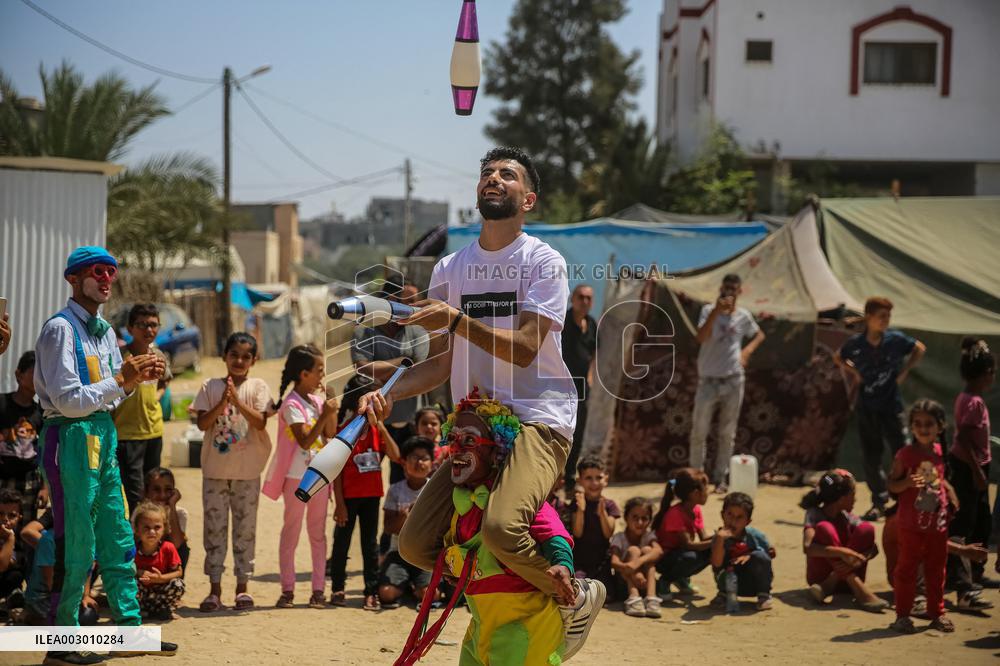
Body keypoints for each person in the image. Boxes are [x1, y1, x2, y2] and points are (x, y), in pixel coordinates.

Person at [359, 147, 603, 659]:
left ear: (527, 198)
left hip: (539, 420)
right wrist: (387, 392)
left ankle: (574, 594)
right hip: (475, 430)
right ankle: (503, 599)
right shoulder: (451, 267)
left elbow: (526, 348)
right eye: (487, 173)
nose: (493, 178)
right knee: (414, 544)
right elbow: (442, 364)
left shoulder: (544, 262)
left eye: (507, 174)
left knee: (498, 528)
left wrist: (454, 319)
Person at [34, 246, 175, 663]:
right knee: (76, 540)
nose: (107, 279)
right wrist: (120, 379)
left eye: (112, 271)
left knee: (116, 534)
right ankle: (63, 643)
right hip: (70, 435)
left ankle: (129, 631)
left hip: (101, 434)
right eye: (98, 271)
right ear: (73, 279)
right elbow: (68, 399)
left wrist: (134, 381)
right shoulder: (60, 329)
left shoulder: (105, 333)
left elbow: (113, 396)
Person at [395, 392, 577, 666]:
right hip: (482, 626)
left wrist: (563, 564)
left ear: (496, 451)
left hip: (524, 626)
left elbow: (553, 533)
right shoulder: (457, 504)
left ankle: (577, 597)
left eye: (469, 440)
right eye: (453, 440)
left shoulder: (511, 502)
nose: (456, 449)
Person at [193, 332, 272, 613]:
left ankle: (242, 589)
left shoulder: (258, 387)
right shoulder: (209, 386)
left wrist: (237, 402)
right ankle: (214, 590)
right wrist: (222, 402)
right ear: (224, 356)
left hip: (247, 473)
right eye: (234, 355)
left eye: (245, 356)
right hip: (215, 472)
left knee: (245, 532)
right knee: (214, 530)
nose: (239, 361)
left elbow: (261, 423)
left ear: (254, 359)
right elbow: (203, 424)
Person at [262, 344, 339, 610]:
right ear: (304, 374)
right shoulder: (291, 405)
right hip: (297, 478)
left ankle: (318, 590)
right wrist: (325, 414)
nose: (322, 376)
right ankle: (288, 589)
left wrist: (331, 410)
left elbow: (329, 433)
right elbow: (305, 441)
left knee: (317, 534)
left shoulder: (317, 402)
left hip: (318, 476)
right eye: (318, 371)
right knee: (291, 532)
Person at [835, 297, 926, 520]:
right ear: (869, 317)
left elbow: (919, 348)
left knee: (902, 452)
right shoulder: (856, 344)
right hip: (867, 406)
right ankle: (879, 501)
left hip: (891, 405)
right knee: (871, 456)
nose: (885, 321)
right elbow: (838, 357)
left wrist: (904, 372)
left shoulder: (895, 340)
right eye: (881, 316)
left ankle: (904, 501)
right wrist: (855, 372)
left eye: (888, 316)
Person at [888, 400, 960, 633]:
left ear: (940, 427)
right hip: (910, 525)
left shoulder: (940, 452)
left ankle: (936, 613)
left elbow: (939, 479)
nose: (923, 428)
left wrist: (950, 492)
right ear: (911, 427)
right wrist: (906, 483)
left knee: (937, 569)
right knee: (907, 569)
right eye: (917, 423)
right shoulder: (906, 455)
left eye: (929, 423)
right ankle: (902, 616)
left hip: (937, 526)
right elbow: (892, 484)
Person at [329, 374, 400, 611]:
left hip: (371, 495)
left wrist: (379, 426)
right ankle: (337, 587)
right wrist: (339, 503)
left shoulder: (376, 430)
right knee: (342, 543)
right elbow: (336, 472)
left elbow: (396, 455)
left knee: (370, 546)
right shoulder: (344, 431)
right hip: (348, 497)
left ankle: (371, 591)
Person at [690, 274, 765, 493]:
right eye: (726, 288)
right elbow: (700, 338)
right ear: (721, 289)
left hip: (733, 380)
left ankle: (720, 478)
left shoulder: (743, 316)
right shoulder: (707, 311)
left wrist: (747, 351)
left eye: (733, 289)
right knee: (699, 431)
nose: (729, 292)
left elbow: (759, 335)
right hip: (708, 380)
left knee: (727, 432)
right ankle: (696, 477)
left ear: (740, 291)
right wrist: (716, 311)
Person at [351, 281, 429, 485]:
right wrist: (405, 362)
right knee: (364, 478)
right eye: (408, 300)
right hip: (373, 419)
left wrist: (382, 368)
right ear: (389, 301)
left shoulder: (418, 331)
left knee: (405, 479)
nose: (414, 306)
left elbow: (421, 369)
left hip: (409, 419)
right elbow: (363, 369)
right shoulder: (364, 331)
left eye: (415, 301)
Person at [113, 303, 173, 514]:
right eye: (142, 325)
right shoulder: (120, 357)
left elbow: (166, 380)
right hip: (127, 435)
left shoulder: (159, 356)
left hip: (154, 432)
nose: (149, 330)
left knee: (154, 491)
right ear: (129, 329)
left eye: (153, 325)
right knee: (135, 494)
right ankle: (137, 543)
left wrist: (157, 396)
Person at [947, 338, 996, 592]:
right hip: (969, 468)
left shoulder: (968, 397)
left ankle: (976, 573)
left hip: (976, 466)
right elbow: (963, 438)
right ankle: (958, 577)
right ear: (986, 374)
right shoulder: (973, 402)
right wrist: (977, 471)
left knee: (981, 522)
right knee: (964, 522)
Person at [800, 470, 886, 612]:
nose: (855, 499)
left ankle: (831, 583)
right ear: (841, 498)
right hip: (820, 578)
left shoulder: (848, 517)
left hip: (832, 585)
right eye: (853, 495)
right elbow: (808, 547)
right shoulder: (814, 514)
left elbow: (874, 548)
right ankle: (860, 591)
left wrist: (859, 558)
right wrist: (842, 552)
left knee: (866, 529)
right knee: (825, 528)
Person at [378, 436, 435, 608]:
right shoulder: (396, 490)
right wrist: (404, 516)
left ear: (432, 463)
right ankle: (407, 584)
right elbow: (388, 527)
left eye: (424, 458)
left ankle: (414, 586)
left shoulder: (435, 489)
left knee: (430, 596)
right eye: (414, 458)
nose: (419, 462)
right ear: (404, 463)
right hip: (399, 552)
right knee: (386, 594)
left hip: (425, 553)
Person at [21, 510, 98, 627]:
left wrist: (85, 596)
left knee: (89, 615)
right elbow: (52, 584)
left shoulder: (85, 538)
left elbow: (87, 569)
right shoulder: (48, 540)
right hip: (44, 597)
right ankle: (30, 617)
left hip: (69, 593)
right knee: (69, 621)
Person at [710, 492, 775, 612]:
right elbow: (717, 564)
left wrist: (750, 555)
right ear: (722, 515)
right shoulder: (718, 537)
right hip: (729, 583)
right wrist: (719, 540)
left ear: (748, 521)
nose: (733, 520)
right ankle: (723, 595)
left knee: (759, 556)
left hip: (751, 584)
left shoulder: (754, 535)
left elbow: (770, 554)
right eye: (730, 514)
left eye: (740, 517)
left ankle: (763, 595)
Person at [0, 351, 46, 520]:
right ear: (18, 374)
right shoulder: (2, 404)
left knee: (24, 525)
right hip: (3, 478)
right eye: (34, 372)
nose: (38, 379)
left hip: (29, 482)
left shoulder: (41, 413)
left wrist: (44, 488)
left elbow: (45, 452)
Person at [653, 468, 712, 597]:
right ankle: (665, 580)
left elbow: (704, 538)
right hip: (665, 558)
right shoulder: (676, 514)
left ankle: (680, 578)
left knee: (714, 551)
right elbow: (688, 545)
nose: (708, 493)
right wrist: (714, 541)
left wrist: (720, 537)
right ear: (695, 493)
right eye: (706, 489)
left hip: (680, 554)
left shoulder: (695, 510)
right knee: (691, 557)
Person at [561, 284, 597, 492]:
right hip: (560, 388)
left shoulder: (591, 324)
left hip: (582, 389)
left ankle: (569, 476)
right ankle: (555, 477)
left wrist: (591, 376)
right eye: (580, 297)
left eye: (588, 298)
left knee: (578, 433)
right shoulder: (562, 323)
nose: (584, 302)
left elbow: (593, 354)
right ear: (572, 299)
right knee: (560, 431)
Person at [568, 455, 620, 588]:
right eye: (588, 478)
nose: (594, 483)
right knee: (580, 588)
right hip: (580, 560)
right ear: (579, 480)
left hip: (601, 561)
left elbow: (608, 533)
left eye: (599, 478)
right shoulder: (577, 503)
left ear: (606, 479)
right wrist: (581, 510)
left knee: (606, 594)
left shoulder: (610, 505)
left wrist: (602, 513)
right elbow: (577, 533)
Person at [609, 497, 662, 618]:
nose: (640, 523)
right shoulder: (619, 538)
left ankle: (651, 598)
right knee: (634, 550)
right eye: (635, 517)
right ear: (626, 518)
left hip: (645, 583)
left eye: (644, 518)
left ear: (649, 520)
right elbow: (614, 562)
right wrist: (630, 569)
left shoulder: (648, 536)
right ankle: (633, 597)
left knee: (648, 551)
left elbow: (658, 551)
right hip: (624, 585)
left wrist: (637, 563)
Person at [133, 501, 185, 621]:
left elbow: (178, 572)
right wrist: (139, 572)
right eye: (146, 527)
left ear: (164, 529)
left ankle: (164, 609)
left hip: (161, 594)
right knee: (129, 583)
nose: (152, 532)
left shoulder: (168, 548)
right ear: (137, 529)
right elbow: (124, 568)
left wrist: (161, 578)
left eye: (157, 527)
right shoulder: (133, 549)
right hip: (141, 596)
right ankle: (138, 610)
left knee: (178, 584)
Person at [137, 468, 190, 575]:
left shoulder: (180, 513)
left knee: (183, 548)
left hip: (166, 573)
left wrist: (172, 506)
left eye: (168, 490)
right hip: (142, 570)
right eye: (156, 489)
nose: (162, 495)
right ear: (146, 492)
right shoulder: (140, 513)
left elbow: (177, 543)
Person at [0, 489, 26, 603]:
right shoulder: (11, 536)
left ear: (19, 518)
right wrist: (10, 538)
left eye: (11, 515)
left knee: (16, 574)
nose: (5, 519)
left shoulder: (20, 536)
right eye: (0, 514)